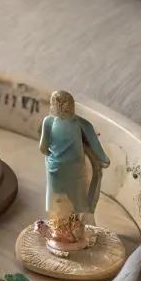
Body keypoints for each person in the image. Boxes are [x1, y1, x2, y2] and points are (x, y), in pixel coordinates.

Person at [38, 90, 110, 254]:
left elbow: (43, 148)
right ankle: (73, 233)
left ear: (53, 105)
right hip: (76, 169)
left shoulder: (48, 121)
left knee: (58, 202)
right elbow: (98, 149)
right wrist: (103, 160)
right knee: (77, 202)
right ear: (71, 106)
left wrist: (53, 156)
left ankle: (61, 234)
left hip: (55, 169)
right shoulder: (81, 123)